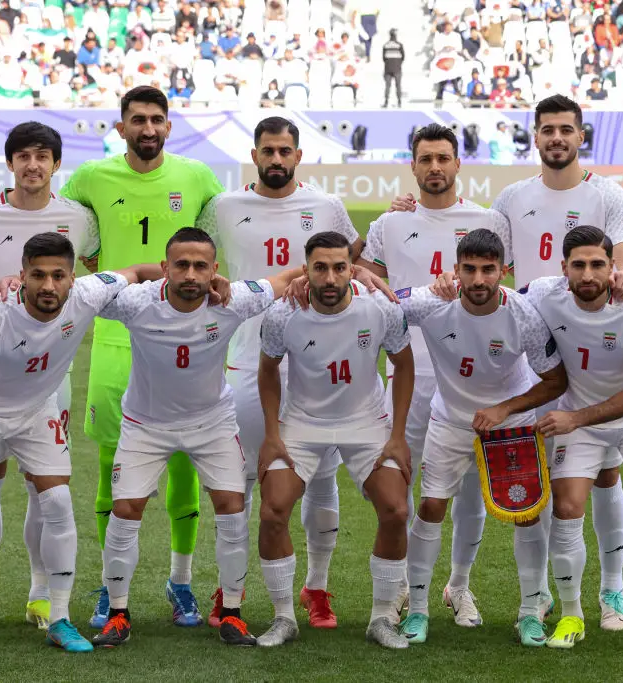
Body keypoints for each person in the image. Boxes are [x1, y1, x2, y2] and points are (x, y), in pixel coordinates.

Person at [410, 95, 623, 631]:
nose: (557, 138)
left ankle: (611, 591)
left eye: (566, 129)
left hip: (584, 356)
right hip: (524, 355)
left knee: (602, 472)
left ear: (580, 136)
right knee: (507, 483)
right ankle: (473, 588)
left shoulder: (607, 193)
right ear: (535, 138)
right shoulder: (513, 197)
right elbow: (485, 254)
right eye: (547, 130)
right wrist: (411, 207)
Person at [0, 234, 164, 656]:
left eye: (58, 275)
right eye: (37, 275)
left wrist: (186, 278)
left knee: (57, 502)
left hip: (35, 409)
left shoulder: (90, 293)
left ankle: (58, 618)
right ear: (20, 276)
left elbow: (137, 273)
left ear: (73, 278)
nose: (48, 286)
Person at [196, 116, 381, 629]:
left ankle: (316, 589)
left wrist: (360, 268)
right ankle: (229, 590)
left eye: (285, 151)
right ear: (253, 155)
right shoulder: (224, 207)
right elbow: (203, 265)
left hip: (313, 366)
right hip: (243, 359)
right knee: (241, 483)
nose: (276, 159)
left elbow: (347, 260)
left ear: (298, 156)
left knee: (320, 480)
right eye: (267, 151)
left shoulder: (326, 206)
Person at [90, 228, 304, 648]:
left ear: (214, 271)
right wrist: (136, 272)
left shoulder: (235, 300)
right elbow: (82, 289)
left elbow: (286, 280)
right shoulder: (137, 302)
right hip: (145, 424)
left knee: (231, 505)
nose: (191, 274)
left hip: (212, 423)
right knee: (126, 508)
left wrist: (353, 270)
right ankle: (117, 613)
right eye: (181, 265)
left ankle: (233, 614)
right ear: (165, 268)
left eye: (200, 266)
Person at [59, 86, 225, 629]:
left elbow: (215, 240)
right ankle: (112, 589)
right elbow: (73, 237)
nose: (147, 128)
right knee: (113, 462)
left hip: (187, 335)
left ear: (168, 126)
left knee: (184, 460)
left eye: (156, 119)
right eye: (137, 120)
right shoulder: (90, 178)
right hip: (115, 335)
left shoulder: (197, 177)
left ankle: (180, 580)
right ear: (121, 126)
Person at [0, 122, 100, 631]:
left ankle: (39, 594)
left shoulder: (78, 217)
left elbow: (87, 273)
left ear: (56, 164)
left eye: (43, 156)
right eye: (23, 156)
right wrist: (0, 288)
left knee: (45, 487)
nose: (33, 165)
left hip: (49, 371)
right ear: (9, 162)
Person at [355, 123, 512, 630]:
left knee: (470, 492)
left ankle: (459, 587)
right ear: (414, 164)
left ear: (458, 163)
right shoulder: (389, 224)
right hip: (408, 374)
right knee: (401, 487)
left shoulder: (488, 219)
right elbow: (362, 279)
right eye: (426, 159)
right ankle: (404, 584)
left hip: (474, 379)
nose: (436, 167)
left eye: (444, 158)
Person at [395, 229, 568, 646]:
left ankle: (529, 612)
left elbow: (555, 380)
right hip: (451, 419)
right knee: (432, 505)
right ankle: (417, 610)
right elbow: (379, 299)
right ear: (454, 271)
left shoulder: (522, 313)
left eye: (488, 270)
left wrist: (504, 409)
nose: (477, 280)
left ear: (503, 271)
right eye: (468, 269)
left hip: (511, 425)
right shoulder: (430, 304)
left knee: (526, 511)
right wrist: (361, 280)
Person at [524, 226, 623, 651]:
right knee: (567, 507)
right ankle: (572, 615)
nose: (588, 273)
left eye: (598, 263)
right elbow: (495, 294)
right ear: (564, 269)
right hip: (582, 421)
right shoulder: (543, 292)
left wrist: (576, 418)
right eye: (579, 264)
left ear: (613, 267)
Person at [255, 231, 414, 650]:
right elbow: (268, 371)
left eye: (339, 267)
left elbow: (404, 364)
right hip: (303, 422)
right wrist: (272, 435)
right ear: (304, 270)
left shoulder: (379, 308)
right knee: (272, 511)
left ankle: (382, 618)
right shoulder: (282, 314)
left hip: (366, 420)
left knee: (397, 510)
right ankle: (284, 616)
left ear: (352, 269)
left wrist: (397, 436)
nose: (329, 278)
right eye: (319, 268)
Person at [382, 28, 404, 108]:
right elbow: (403, 57)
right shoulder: (399, 45)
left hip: (388, 68)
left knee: (387, 86)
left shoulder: (386, 45)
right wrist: (398, 63)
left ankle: (386, 102)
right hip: (397, 68)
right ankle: (399, 102)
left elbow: (383, 58)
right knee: (398, 85)